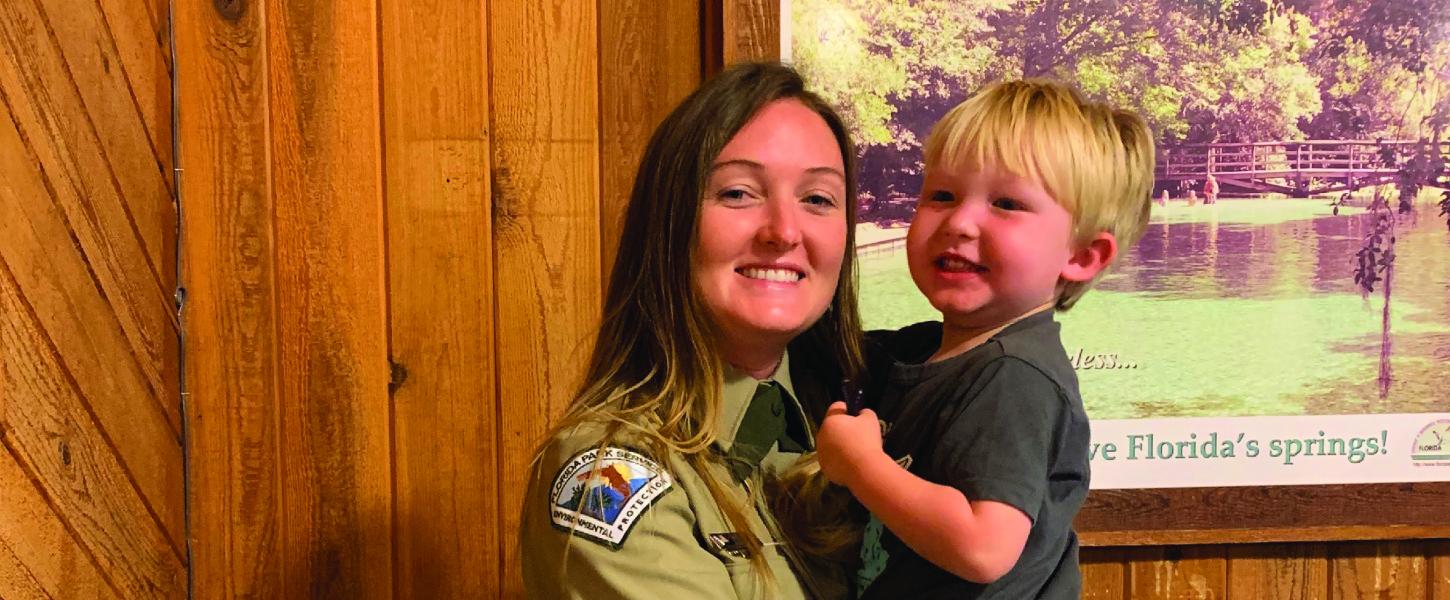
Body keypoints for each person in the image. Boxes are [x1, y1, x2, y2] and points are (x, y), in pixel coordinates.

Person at [520, 62, 865, 599]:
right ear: (670, 220)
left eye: (818, 199)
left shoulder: (863, 420)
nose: (784, 231)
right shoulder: (610, 478)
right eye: (738, 193)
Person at [814, 79, 1154, 599]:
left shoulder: (1014, 375)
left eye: (1007, 203)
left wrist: (862, 466)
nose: (961, 221)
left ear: (1082, 256)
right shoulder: (923, 352)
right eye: (942, 195)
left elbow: (983, 547)